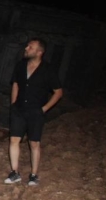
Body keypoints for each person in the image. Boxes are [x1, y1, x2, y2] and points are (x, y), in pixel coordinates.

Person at [4, 38, 63, 186]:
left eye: (30, 47)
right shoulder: (20, 65)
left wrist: (44, 109)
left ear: (39, 52)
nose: (26, 48)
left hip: (35, 111)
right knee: (14, 140)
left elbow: (58, 92)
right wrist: (13, 104)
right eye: (27, 46)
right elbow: (16, 84)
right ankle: (15, 172)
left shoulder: (48, 70)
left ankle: (34, 174)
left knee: (34, 143)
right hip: (19, 109)